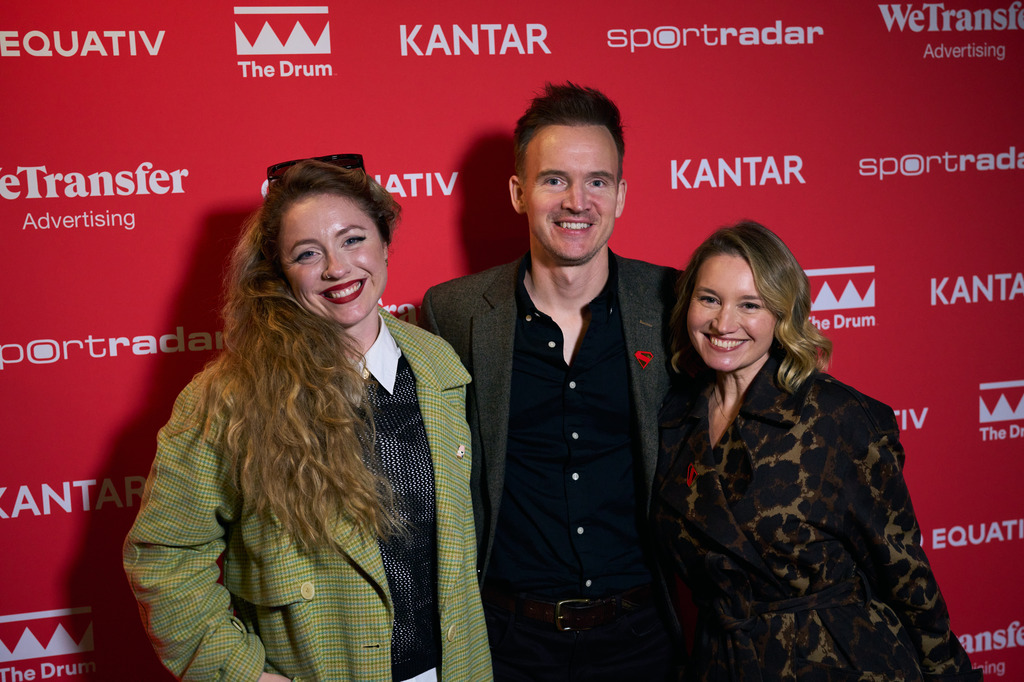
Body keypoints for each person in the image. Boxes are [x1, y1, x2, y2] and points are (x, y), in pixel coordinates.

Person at [123, 157, 492, 682]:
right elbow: (164, 556)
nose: (337, 268)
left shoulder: (438, 364)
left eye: (353, 240)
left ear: (385, 243)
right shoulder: (227, 398)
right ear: (279, 272)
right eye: (307, 254)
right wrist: (244, 675)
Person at [422, 83, 681, 681]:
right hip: (508, 640)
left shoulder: (671, 302)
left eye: (597, 182)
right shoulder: (454, 312)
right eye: (555, 179)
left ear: (621, 195)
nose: (577, 202)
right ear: (519, 192)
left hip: (642, 635)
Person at [654, 220, 980, 681]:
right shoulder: (674, 417)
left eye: (750, 304)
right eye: (709, 299)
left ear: (782, 315)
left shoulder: (835, 417)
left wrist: (949, 675)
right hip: (723, 662)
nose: (723, 323)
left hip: (838, 660)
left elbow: (905, 574)